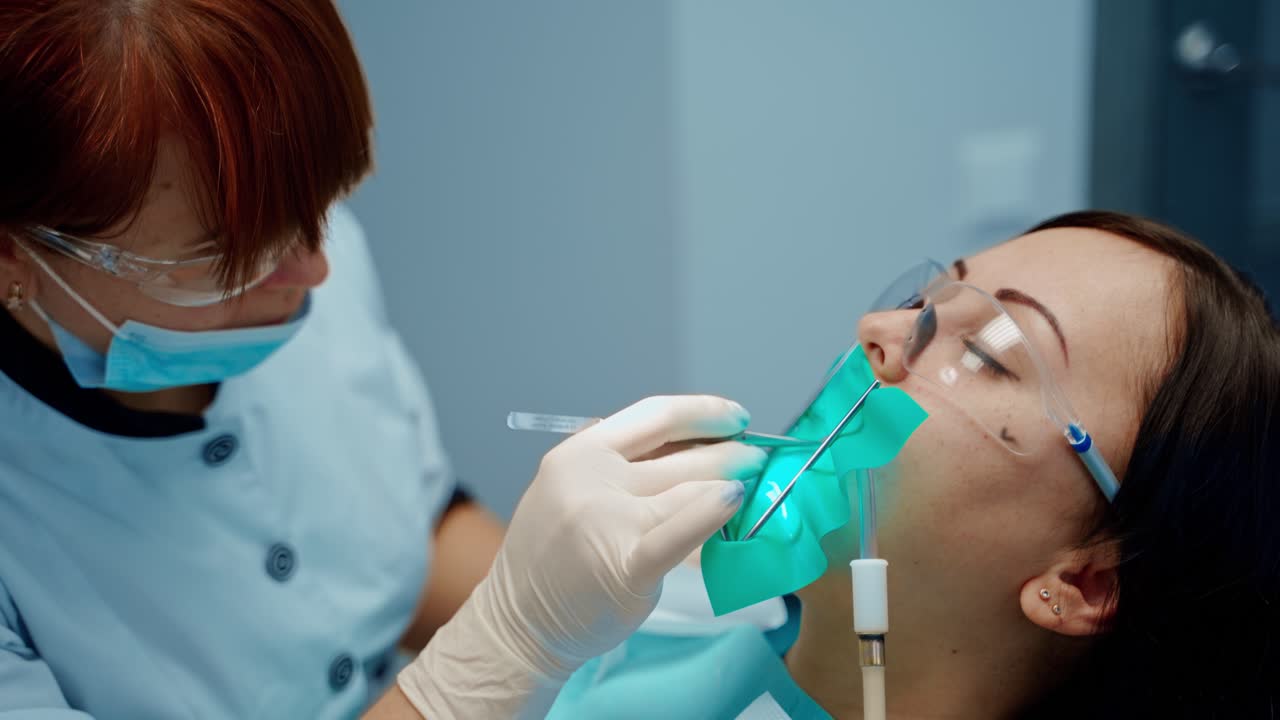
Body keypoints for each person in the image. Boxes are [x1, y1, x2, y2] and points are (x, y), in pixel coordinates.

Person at [0, 2, 763, 718]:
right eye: (222, 254)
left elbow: (404, 542)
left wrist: (630, 593)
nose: (315, 273)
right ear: (14, 252)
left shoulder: (295, 261)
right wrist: (507, 646)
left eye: (318, 207)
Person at [534, 212, 1280, 719]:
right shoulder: (670, 615)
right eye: (924, 298)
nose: (881, 331)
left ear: (1083, 581)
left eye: (989, 351)